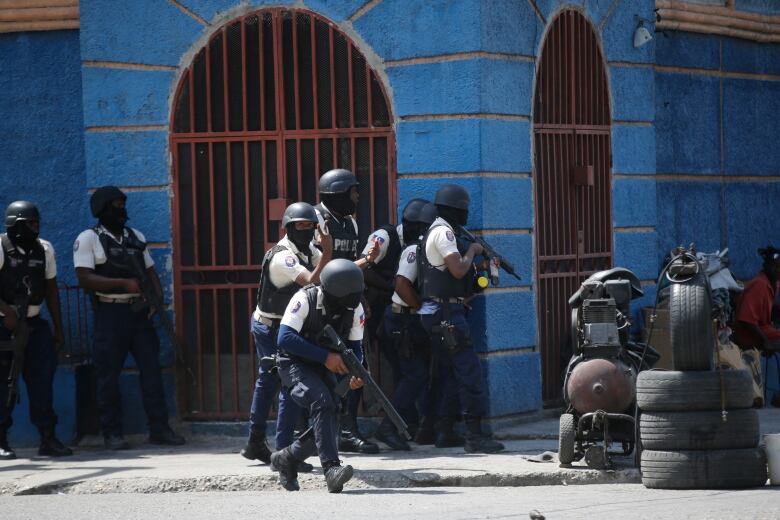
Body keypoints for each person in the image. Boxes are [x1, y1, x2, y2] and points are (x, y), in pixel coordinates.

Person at [74, 186, 184, 449]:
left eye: (123, 204)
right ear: (101, 208)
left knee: (152, 373)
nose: (121, 209)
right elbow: (85, 277)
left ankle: (159, 429)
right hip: (110, 313)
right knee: (108, 376)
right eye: (115, 204)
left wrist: (156, 301)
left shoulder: (134, 236)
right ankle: (112, 433)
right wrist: (123, 284)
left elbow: (150, 271)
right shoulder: (89, 238)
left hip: (139, 314)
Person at [240, 202, 332, 470]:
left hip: (286, 326)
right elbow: (312, 281)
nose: (306, 230)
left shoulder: (308, 250)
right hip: (271, 327)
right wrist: (327, 251)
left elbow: (328, 273)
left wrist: (360, 260)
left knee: (273, 382)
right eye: (300, 226)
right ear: (289, 228)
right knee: (283, 384)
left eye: (310, 226)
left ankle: (257, 442)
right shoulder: (283, 256)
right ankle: (280, 453)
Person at [417, 184, 504, 453]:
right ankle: (475, 436)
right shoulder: (444, 233)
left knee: (450, 374)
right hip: (446, 315)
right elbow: (456, 270)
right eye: (464, 210)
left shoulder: (438, 231)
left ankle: (443, 430)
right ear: (457, 210)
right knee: (469, 373)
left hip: (439, 312)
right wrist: (473, 252)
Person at [269, 259, 366, 493]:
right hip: (294, 363)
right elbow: (284, 338)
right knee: (322, 402)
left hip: (326, 366)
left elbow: (356, 346)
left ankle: (287, 458)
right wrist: (325, 357)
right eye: (349, 296)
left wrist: (356, 371)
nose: (353, 302)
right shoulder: (305, 299)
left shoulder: (356, 309)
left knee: (331, 411)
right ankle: (331, 469)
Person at [0, 201, 72, 459]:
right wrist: (7, 314)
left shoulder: (44, 248)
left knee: (42, 383)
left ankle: (48, 438)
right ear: (16, 224)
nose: (36, 227)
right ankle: (2, 440)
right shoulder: (0, 247)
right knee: (4, 383)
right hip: (5, 326)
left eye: (37, 222)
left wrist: (58, 329)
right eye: (31, 223)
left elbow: (51, 290)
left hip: (34, 324)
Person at [314, 168, 379, 454]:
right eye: (353, 191)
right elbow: (322, 269)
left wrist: (361, 295)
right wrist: (367, 261)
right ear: (338, 193)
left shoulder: (350, 224)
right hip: (321, 308)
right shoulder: (316, 220)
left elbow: (349, 266)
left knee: (355, 366)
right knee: (319, 370)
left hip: (349, 307)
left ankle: (349, 430)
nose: (357, 197)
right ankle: (314, 433)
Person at [374, 201, 439, 451]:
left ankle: (406, 425)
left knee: (412, 376)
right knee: (415, 375)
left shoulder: (422, 246)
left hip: (407, 320)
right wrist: (422, 308)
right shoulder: (414, 249)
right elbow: (401, 283)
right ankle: (388, 427)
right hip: (401, 320)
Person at [361, 198, 429, 391]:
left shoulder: (417, 245)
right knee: (364, 364)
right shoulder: (384, 237)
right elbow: (362, 269)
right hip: (373, 309)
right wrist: (391, 286)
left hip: (395, 315)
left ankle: (400, 416)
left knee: (404, 366)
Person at [733, 246, 780, 406]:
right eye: (775, 266)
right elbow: (745, 319)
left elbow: (766, 308)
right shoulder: (759, 284)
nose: (777, 270)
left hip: (762, 327)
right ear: (767, 266)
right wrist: (765, 342)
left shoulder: (773, 283)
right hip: (748, 334)